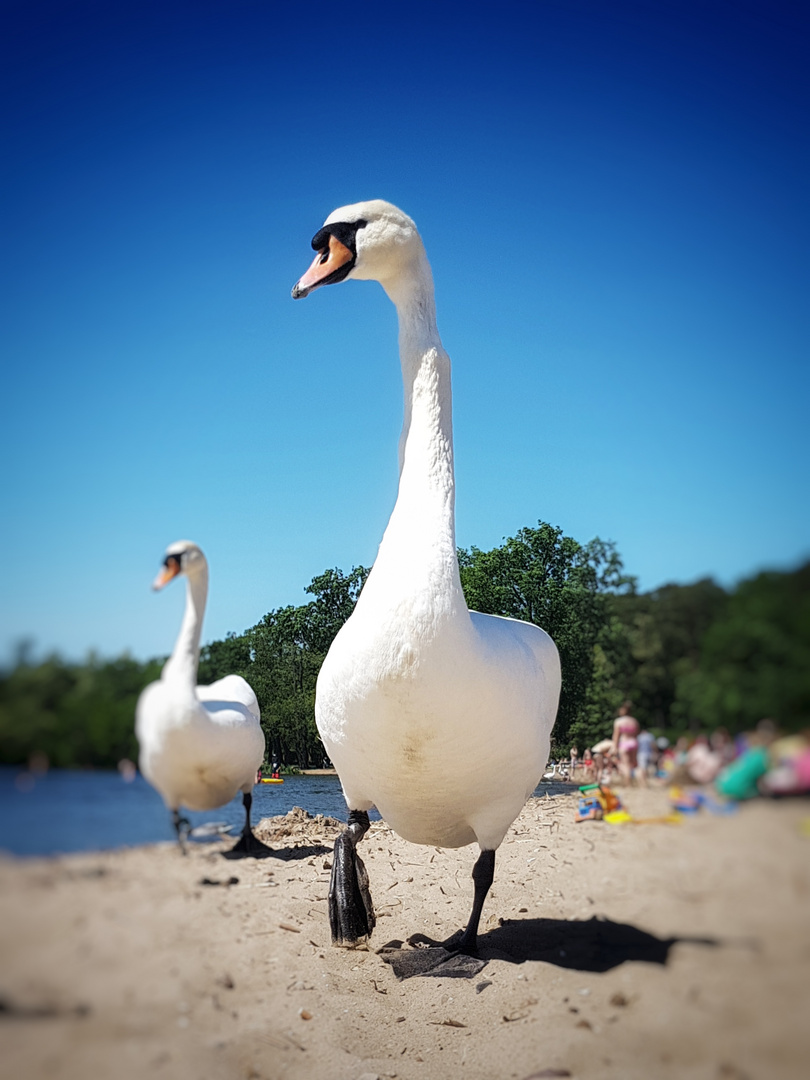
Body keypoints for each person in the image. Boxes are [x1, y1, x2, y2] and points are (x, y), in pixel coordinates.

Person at [611, 701, 640, 785]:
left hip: (624, 743)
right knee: (634, 764)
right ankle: (641, 782)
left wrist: (614, 747)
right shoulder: (634, 721)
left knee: (626, 765)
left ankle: (628, 783)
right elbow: (636, 734)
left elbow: (616, 736)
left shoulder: (618, 721)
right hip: (634, 743)